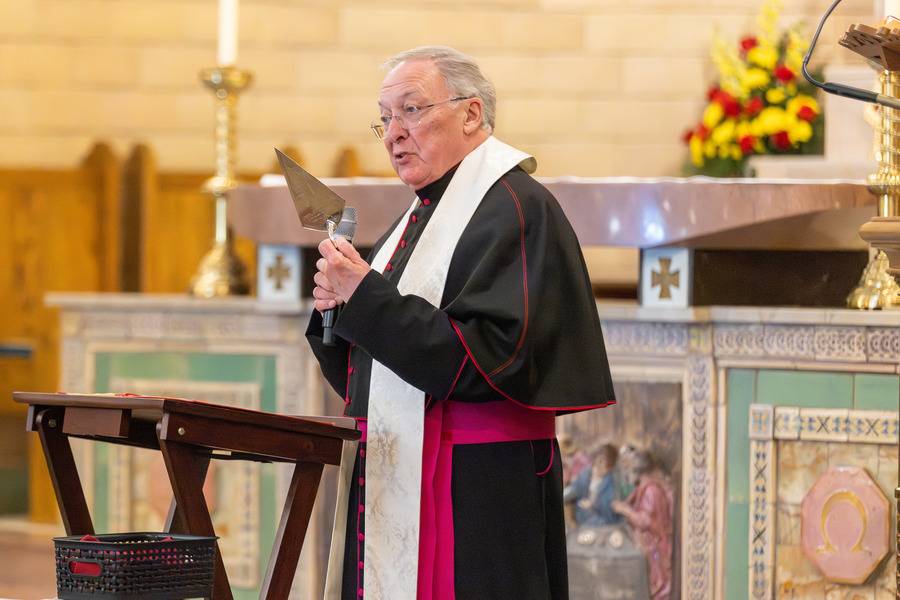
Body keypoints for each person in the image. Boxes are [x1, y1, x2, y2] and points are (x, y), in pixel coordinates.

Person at [306, 45, 616, 600]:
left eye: (411, 110)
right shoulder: (414, 216)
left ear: (471, 114)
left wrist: (366, 301)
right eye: (384, 119)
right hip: (401, 462)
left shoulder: (517, 206)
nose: (394, 132)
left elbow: (488, 357)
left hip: (477, 485)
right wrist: (337, 311)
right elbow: (373, 375)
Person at [612, 450, 674, 600]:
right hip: (648, 546)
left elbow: (646, 521)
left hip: (655, 547)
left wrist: (625, 510)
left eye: (629, 469)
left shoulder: (651, 490)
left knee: (658, 588)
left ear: (637, 471)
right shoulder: (643, 488)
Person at [564, 443, 622, 528]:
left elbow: (611, 506)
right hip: (583, 516)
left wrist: (593, 504)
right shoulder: (586, 473)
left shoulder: (611, 481)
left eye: (605, 463)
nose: (600, 466)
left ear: (610, 466)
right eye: (598, 461)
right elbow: (575, 488)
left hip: (603, 520)